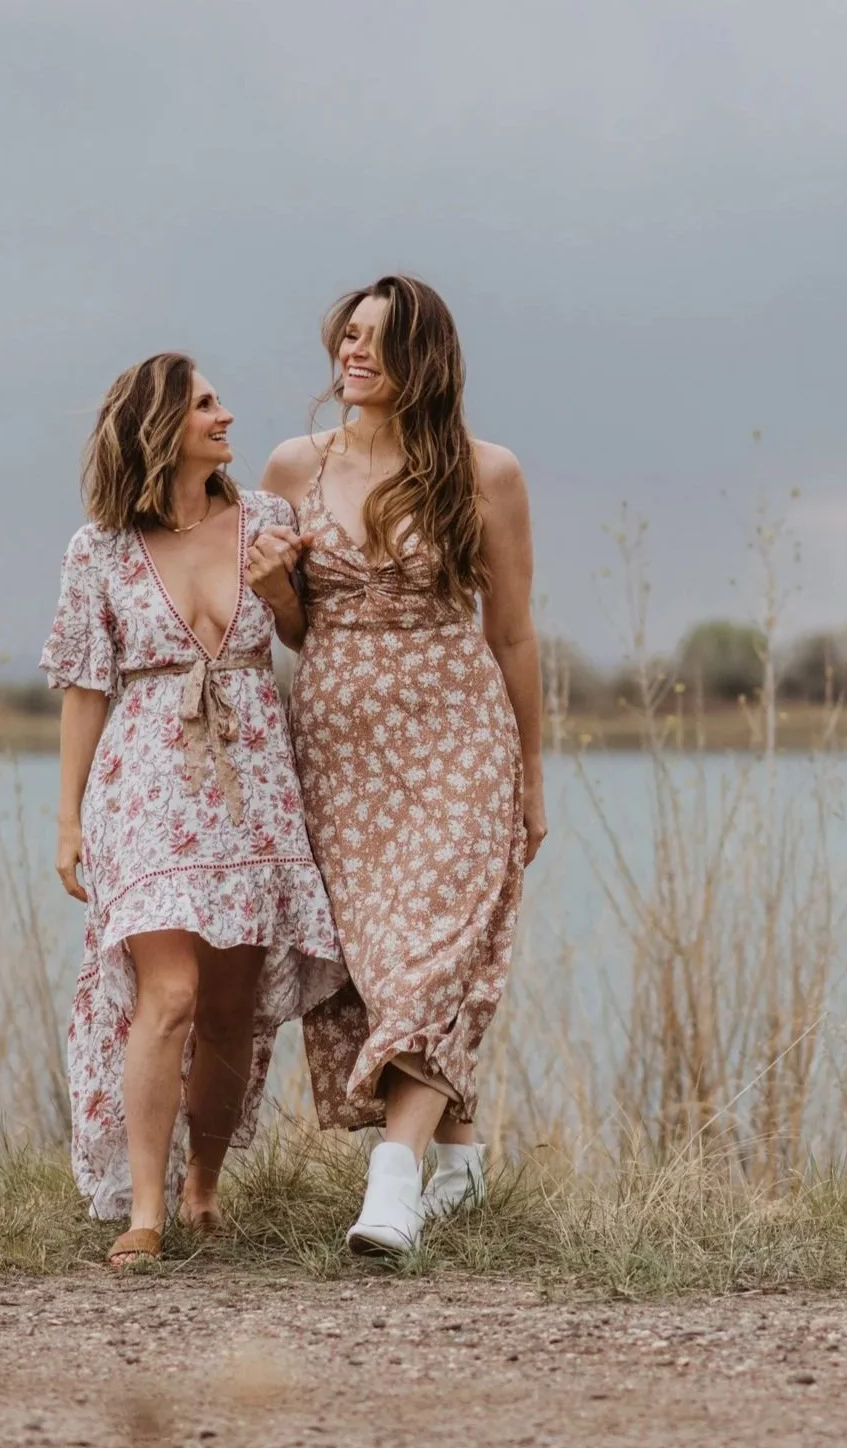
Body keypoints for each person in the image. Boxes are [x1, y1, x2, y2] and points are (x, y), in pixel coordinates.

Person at [247, 275, 545, 1256]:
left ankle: (394, 1178)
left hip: (456, 727)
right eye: (346, 336)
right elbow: (294, 631)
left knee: (433, 953)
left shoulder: (483, 471)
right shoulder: (293, 466)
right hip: (336, 740)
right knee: (375, 965)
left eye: (375, 340)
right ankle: (458, 1161)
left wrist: (531, 775)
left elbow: (509, 636)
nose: (352, 354)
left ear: (424, 356)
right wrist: (274, 593)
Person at [42, 352, 344, 1266]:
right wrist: (68, 819)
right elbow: (85, 688)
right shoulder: (97, 549)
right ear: (158, 425)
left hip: (252, 781)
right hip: (145, 784)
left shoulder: (269, 519)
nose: (226, 415)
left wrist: (279, 586)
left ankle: (203, 1184)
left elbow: (302, 634)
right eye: (206, 404)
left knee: (228, 1009)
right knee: (165, 994)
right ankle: (145, 1209)